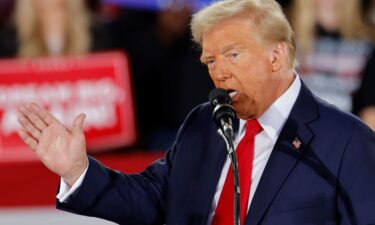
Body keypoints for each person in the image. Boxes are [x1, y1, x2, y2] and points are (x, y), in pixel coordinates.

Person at [17, 0, 375, 224]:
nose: (218, 72)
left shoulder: (346, 142)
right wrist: (77, 170)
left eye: (233, 55)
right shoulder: (206, 124)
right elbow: (152, 201)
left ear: (276, 56)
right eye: (211, 60)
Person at [288, 0, 375, 129]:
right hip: (293, 141)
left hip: (346, 141)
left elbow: (370, 115)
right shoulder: (283, 37)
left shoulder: (368, 44)